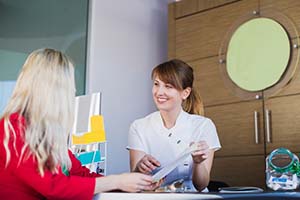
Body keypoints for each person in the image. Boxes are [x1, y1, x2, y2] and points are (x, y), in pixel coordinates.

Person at [0, 48, 158, 200]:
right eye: (69, 86)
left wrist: (130, 182)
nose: (73, 91)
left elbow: (81, 174)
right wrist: (117, 181)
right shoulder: (12, 127)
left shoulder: (45, 133)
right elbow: (52, 186)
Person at [127, 59, 221, 192]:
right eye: (156, 84)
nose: (159, 92)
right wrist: (139, 168)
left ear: (185, 93)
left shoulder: (203, 126)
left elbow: (201, 185)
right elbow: (135, 182)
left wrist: (198, 163)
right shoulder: (138, 126)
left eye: (168, 86)